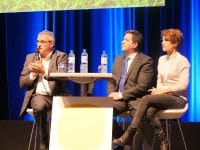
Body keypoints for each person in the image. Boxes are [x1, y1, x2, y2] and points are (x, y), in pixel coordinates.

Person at [113, 29, 190, 150]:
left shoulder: (183, 61)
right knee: (149, 112)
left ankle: (129, 133)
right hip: (163, 97)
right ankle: (163, 141)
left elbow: (183, 85)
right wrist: (158, 90)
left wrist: (162, 91)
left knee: (146, 98)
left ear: (175, 43)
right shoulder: (162, 59)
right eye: (162, 40)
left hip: (178, 98)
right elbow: (159, 80)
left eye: (166, 40)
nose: (162, 42)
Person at [19, 30, 70, 150]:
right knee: (39, 105)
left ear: (51, 44)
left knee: (77, 107)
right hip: (39, 95)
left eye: (42, 42)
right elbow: (21, 82)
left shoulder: (60, 56)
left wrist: (44, 72)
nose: (39, 45)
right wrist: (32, 75)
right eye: (38, 41)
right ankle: (44, 141)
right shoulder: (30, 57)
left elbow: (64, 77)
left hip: (58, 95)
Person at [107, 30, 154, 149]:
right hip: (118, 100)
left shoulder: (145, 60)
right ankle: (122, 139)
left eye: (126, 40)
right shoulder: (118, 59)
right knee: (101, 111)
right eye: (123, 39)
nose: (122, 41)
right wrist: (111, 93)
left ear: (134, 44)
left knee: (140, 123)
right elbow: (112, 80)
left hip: (136, 99)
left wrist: (122, 95)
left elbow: (143, 86)